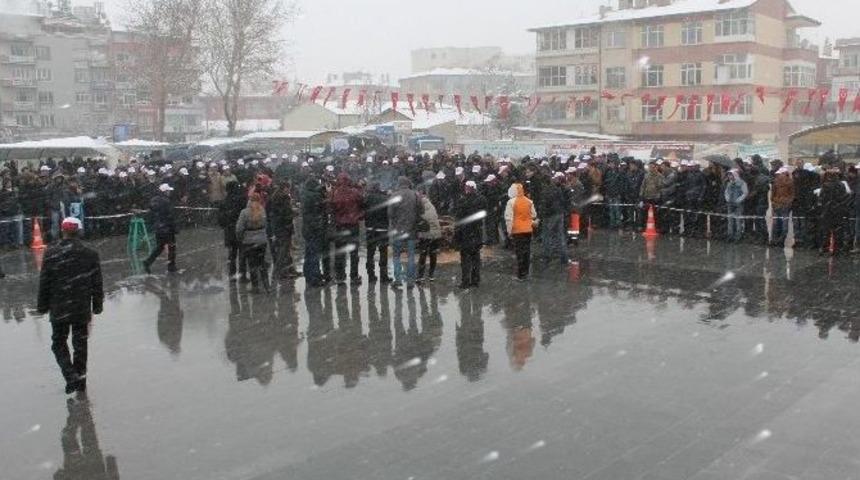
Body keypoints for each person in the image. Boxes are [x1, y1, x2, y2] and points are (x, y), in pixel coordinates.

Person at [37, 217, 103, 394]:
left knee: (58, 342)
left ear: (62, 231)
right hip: (81, 306)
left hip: (59, 305)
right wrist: (97, 305)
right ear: (79, 231)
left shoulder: (51, 253)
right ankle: (80, 381)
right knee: (80, 344)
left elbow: (45, 282)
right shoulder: (90, 253)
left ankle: (70, 375)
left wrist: (42, 306)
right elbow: (97, 282)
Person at [329, 173, 364, 286]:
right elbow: (362, 201)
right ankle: (354, 276)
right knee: (354, 252)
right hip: (353, 225)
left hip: (340, 225)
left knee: (340, 251)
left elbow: (331, 207)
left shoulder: (335, 192)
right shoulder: (354, 192)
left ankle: (340, 276)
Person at [388, 176, 422, 289]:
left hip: (398, 230)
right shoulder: (416, 195)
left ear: (399, 184)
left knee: (397, 255)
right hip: (411, 230)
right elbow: (421, 211)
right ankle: (410, 280)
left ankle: (398, 279)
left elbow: (390, 214)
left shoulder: (394, 195)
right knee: (411, 256)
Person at [454, 181, 486, 289]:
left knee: (465, 260)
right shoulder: (482, 200)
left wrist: (457, 235)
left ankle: (465, 282)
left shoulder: (463, 201)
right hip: (477, 233)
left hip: (466, 233)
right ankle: (475, 280)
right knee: (476, 258)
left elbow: (459, 219)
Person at [235, 193, 269, 293]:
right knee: (262, 263)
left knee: (252, 264)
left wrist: (240, 238)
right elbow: (266, 224)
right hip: (262, 240)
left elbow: (239, 228)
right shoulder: (262, 210)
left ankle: (255, 287)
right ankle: (267, 285)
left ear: (249, 200)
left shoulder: (244, 212)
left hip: (249, 241)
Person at [505, 183, 538, 281]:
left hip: (517, 230)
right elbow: (534, 214)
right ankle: (526, 272)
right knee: (526, 251)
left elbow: (509, 218)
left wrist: (509, 231)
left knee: (519, 252)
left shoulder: (511, 202)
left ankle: (520, 275)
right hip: (528, 230)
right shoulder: (529, 201)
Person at [143, 183, 178, 274]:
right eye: (168, 191)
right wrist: (174, 227)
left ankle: (148, 262)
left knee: (160, 247)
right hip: (167, 228)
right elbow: (170, 216)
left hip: (158, 228)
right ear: (165, 191)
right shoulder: (166, 201)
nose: (169, 192)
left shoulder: (153, 200)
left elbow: (151, 214)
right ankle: (171, 267)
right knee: (171, 247)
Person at [268, 180, 299, 279]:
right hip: (284, 227)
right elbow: (284, 214)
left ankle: (289, 269)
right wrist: (293, 212)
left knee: (286, 249)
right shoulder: (283, 198)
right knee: (283, 250)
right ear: (284, 188)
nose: (289, 190)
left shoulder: (275, 198)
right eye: (288, 188)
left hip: (279, 227)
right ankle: (280, 272)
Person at [301, 177, 328, 288]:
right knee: (314, 253)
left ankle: (308, 275)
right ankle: (315, 278)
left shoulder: (304, 194)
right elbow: (322, 205)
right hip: (314, 227)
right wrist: (323, 193)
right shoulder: (314, 196)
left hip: (307, 227)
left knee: (309, 252)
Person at [364, 182, 391, 283]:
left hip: (370, 228)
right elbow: (389, 213)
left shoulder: (367, 198)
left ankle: (371, 275)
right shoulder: (385, 198)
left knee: (370, 252)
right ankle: (384, 277)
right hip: (383, 229)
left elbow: (363, 211)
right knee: (383, 252)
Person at [219, 181, 246, 280]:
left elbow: (220, 220)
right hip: (240, 230)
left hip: (229, 231)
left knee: (232, 254)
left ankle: (232, 274)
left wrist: (226, 225)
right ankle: (242, 275)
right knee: (242, 253)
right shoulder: (241, 200)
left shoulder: (224, 202)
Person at [416, 192, 442, 283]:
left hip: (426, 234)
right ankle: (431, 275)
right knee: (433, 254)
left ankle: (420, 276)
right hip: (435, 234)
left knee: (423, 254)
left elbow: (420, 221)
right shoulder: (431, 205)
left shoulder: (421, 208)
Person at [770, 167, 795, 247]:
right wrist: (774, 202)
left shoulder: (790, 183)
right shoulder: (776, 182)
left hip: (784, 206)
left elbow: (792, 195)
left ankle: (780, 240)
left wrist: (787, 203)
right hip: (777, 205)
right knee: (776, 224)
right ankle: (775, 240)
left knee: (783, 225)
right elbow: (773, 194)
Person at [724, 170, 748, 242]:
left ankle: (738, 235)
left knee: (738, 221)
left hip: (738, 205)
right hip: (730, 204)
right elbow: (726, 192)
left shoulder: (742, 183)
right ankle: (730, 235)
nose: (729, 176)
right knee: (730, 221)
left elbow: (745, 193)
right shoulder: (729, 183)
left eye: (730, 175)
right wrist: (727, 198)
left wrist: (739, 199)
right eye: (728, 175)